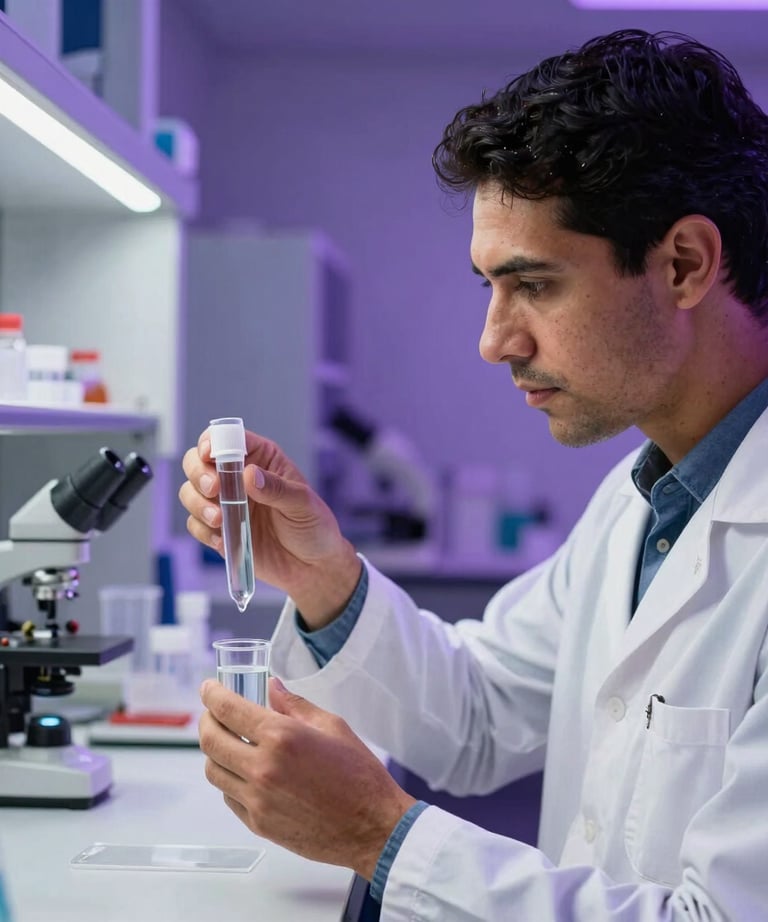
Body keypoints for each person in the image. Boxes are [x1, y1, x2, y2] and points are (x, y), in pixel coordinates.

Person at [179, 29, 768, 920]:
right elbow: (482, 715)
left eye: (532, 285)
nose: (495, 340)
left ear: (683, 263)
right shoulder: (646, 498)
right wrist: (322, 574)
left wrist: (381, 835)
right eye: (489, 289)